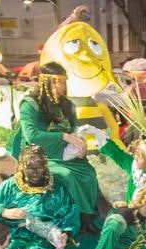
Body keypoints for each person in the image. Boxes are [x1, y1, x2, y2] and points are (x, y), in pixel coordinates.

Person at [7, 61, 101, 226]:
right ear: (45, 82)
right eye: (56, 82)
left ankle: (86, 216)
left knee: (89, 173)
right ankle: (69, 221)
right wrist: (63, 136)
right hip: (40, 156)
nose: (61, 87)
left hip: (66, 154)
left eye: (63, 82)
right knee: (67, 176)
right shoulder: (30, 104)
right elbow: (32, 135)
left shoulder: (67, 104)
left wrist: (80, 144)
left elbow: (75, 129)